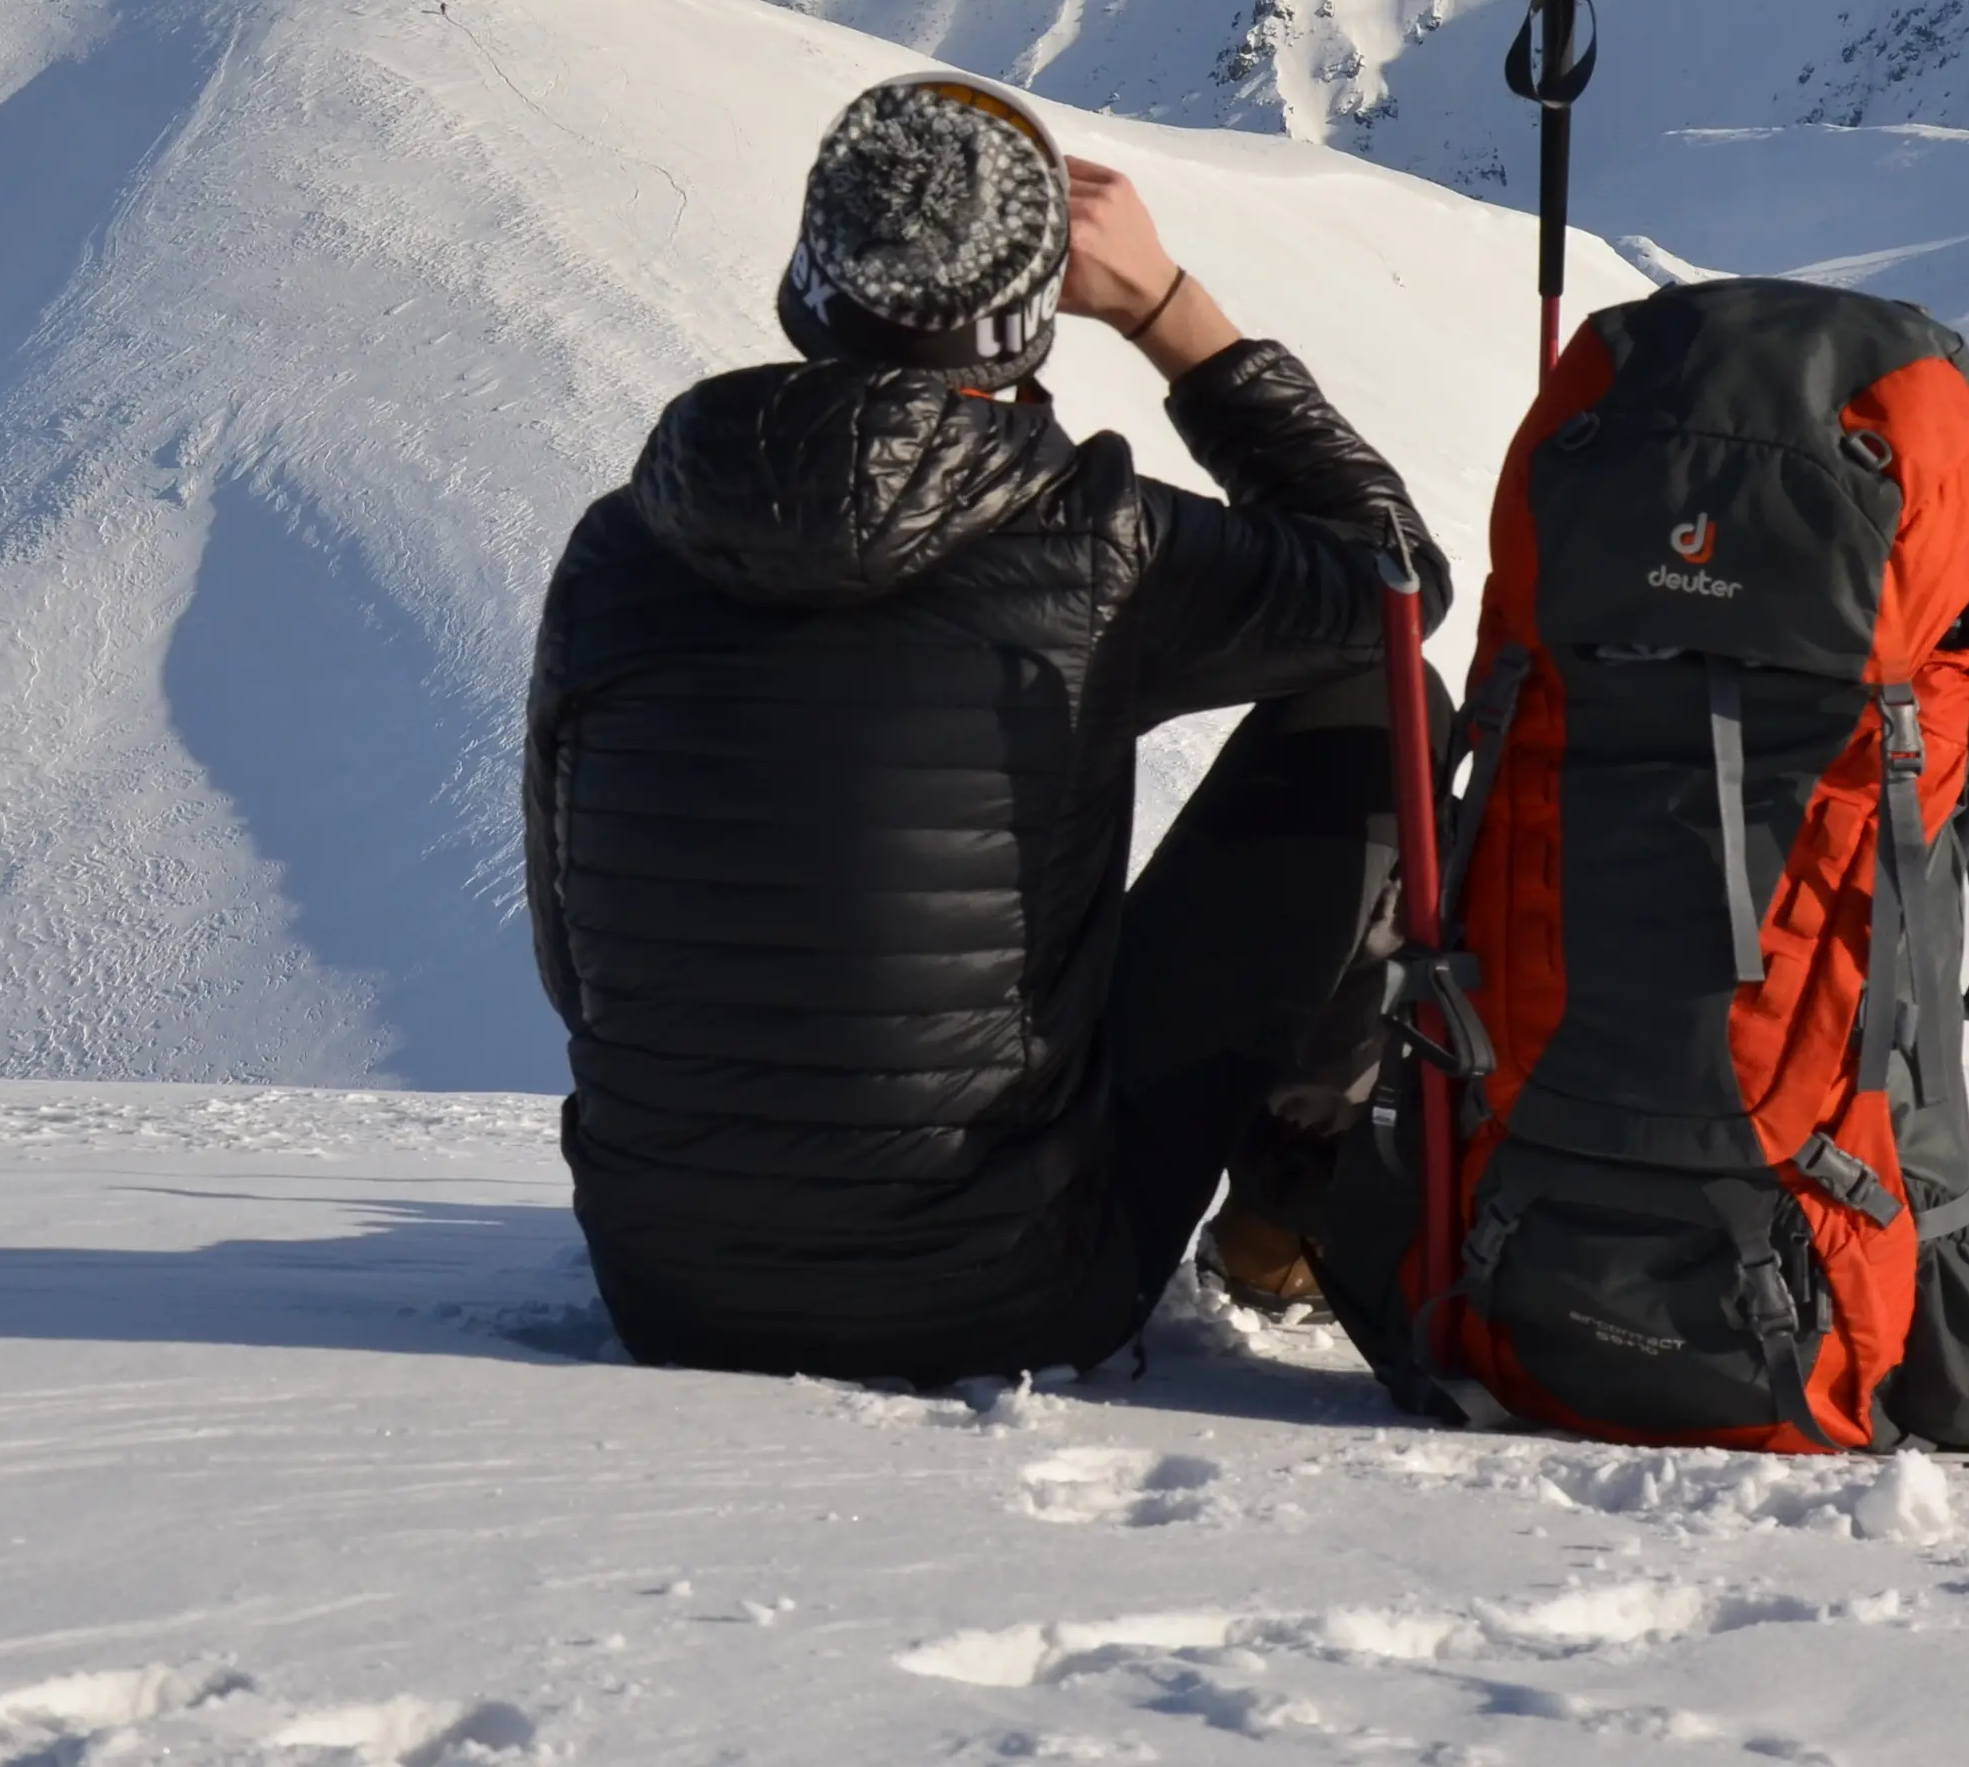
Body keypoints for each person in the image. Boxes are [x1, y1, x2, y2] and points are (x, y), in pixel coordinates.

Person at [522, 72, 1453, 1383]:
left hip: (662, 1282)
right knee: (1382, 702)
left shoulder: (622, 547)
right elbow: (1394, 582)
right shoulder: (1095, 536)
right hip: (1012, 1293)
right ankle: (1285, 1223)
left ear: (809, 281)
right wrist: (1169, 312)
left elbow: (576, 961)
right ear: (1027, 315)